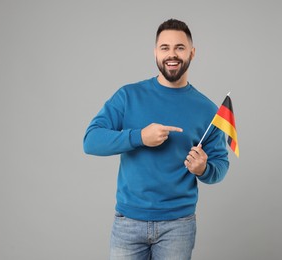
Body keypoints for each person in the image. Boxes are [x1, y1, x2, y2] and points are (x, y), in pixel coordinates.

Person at [83, 18, 229, 260]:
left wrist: (204, 168)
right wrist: (139, 136)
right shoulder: (128, 96)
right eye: (165, 48)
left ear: (192, 53)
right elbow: (91, 141)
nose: (172, 54)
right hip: (128, 222)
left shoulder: (207, 110)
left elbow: (221, 165)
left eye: (180, 48)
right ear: (155, 53)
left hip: (178, 225)